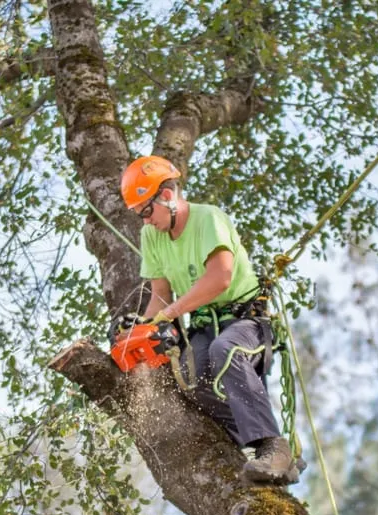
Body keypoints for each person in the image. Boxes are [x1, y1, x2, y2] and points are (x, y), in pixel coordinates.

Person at [119, 155, 302, 485]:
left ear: (167, 195)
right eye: (139, 215)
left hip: (245, 322)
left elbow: (220, 277)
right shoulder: (152, 237)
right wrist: (140, 331)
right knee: (192, 379)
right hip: (205, 324)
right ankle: (251, 449)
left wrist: (169, 315)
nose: (146, 221)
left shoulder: (208, 219)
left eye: (146, 211)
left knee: (225, 351)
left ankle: (273, 447)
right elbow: (160, 294)